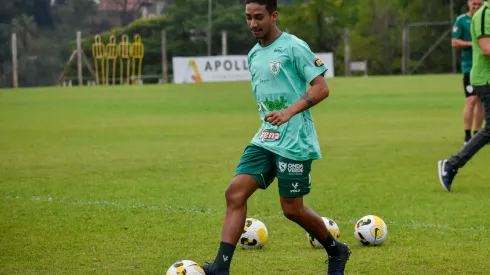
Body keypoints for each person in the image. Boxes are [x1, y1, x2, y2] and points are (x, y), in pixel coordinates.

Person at [201, 0, 351, 274]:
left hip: (295, 138)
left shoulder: (294, 46)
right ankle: (220, 268)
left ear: (274, 16)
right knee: (235, 193)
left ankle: (336, 249)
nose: (253, 24)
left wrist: (289, 111)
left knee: (292, 209)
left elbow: (321, 88)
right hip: (266, 137)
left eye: (259, 17)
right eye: (248, 17)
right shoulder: (253, 54)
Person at [438, 0, 490, 191]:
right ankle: (451, 164)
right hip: (486, 79)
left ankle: (452, 164)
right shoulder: (484, 14)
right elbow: (486, 48)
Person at [451, 0, 484, 145]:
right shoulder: (461, 20)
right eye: (474, 3)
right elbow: (455, 42)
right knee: (471, 100)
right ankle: (467, 135)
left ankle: (478, 134)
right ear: (468, 3)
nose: (476, 6)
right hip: (469, 67)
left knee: (481, 101)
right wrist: (472, 43)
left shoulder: (485, 18)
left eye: (479, 4)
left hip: (484, 67)